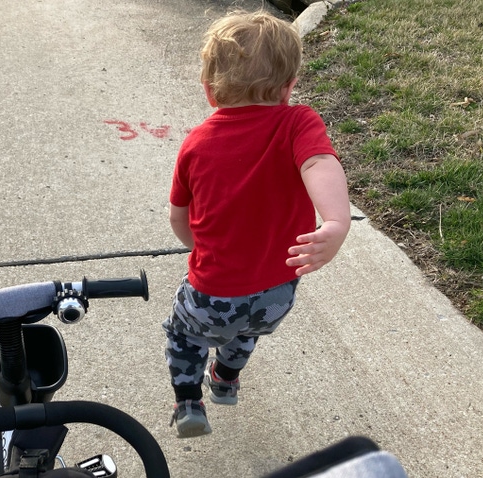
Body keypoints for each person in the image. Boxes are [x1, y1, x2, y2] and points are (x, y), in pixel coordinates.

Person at [164, 10, 351, 438]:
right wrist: (336, 221)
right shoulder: (298, 123)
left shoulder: (196, 144)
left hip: (213, 292)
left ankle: (189, 400)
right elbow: (319, 162)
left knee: (184, 334)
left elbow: (178, 216)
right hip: (277, 292)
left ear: (210, 90)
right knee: (246, 330)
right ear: (289, 87)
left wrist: (197, 247)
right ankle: (226, 380)